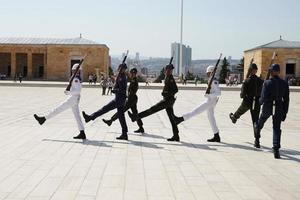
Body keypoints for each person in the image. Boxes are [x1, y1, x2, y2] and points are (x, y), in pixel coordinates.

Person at [128, 63, 180, 141]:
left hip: (167, 101)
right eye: (168, 70)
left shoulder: (170, 78)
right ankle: (176, 135)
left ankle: (135, 117)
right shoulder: (168, 77)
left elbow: (176, 90)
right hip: (168, 101)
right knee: (172, 118)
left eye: (170, 70)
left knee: (152, 109)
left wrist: (166, 93)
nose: (168, 71)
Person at [33, 63, 86, 139]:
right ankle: (82, 133)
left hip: (73, 98)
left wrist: (68, 92)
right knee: (77, 116)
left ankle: (43, 119)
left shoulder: (76, 79)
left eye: (73, 70)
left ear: (75, 70)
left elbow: (78, 90)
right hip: (74, 98)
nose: (72, 71)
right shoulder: (76, 78)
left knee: (59, 109)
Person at [173, 65, 221, 142]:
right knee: (211, 118)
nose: (207, 74)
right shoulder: (211, 80)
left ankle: (180, 119)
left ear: (212, 72)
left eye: (208, 73)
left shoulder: (214, 81)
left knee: (196, 111)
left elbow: (218, 93)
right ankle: (216, 135)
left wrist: (209, 95)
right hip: (210, 101)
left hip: (210, 101)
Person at [82, 63, 128, 140]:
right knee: (121, 117)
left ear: (123, 69)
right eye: (119, 68)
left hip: (119, 99)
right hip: (120, 99)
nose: (119, 69)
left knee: (105, 109)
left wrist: (115, 90)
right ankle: (124, 134)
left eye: (121, 68)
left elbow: (122, 90)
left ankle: (90, 117)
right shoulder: (121, 76)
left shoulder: (122, 78)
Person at [254, 64, 289, 159]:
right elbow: (286, 100)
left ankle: (257, 139)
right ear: (278, 71)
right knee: (276, 128)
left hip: (268, 106)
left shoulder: (267, 83)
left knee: (260, 123)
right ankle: (276, 149)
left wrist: (259, 103)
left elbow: (263, 97)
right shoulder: (284, 83)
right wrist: (285, 112)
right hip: (278, 107)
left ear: (272, 72)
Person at [229, 63, 264, 148]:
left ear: (250, 70)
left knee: (240, 111)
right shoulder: (260, 80)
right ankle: (257, 141)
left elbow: (242, 95)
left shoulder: (246, 81)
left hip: (248, 101)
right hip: (256, 103)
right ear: (256, 70)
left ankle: (234, 118)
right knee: (255, 121)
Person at [103, 68, 145, 133]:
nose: (130, 74)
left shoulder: (134, 81)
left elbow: (132, 92)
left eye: (131, 73)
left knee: (121, 111)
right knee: (135, 113)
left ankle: (111, 121)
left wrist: (127, 98)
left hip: (131, 99)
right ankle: (141, 127)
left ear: (133, 74)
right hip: (133, 98)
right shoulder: (133, 80)